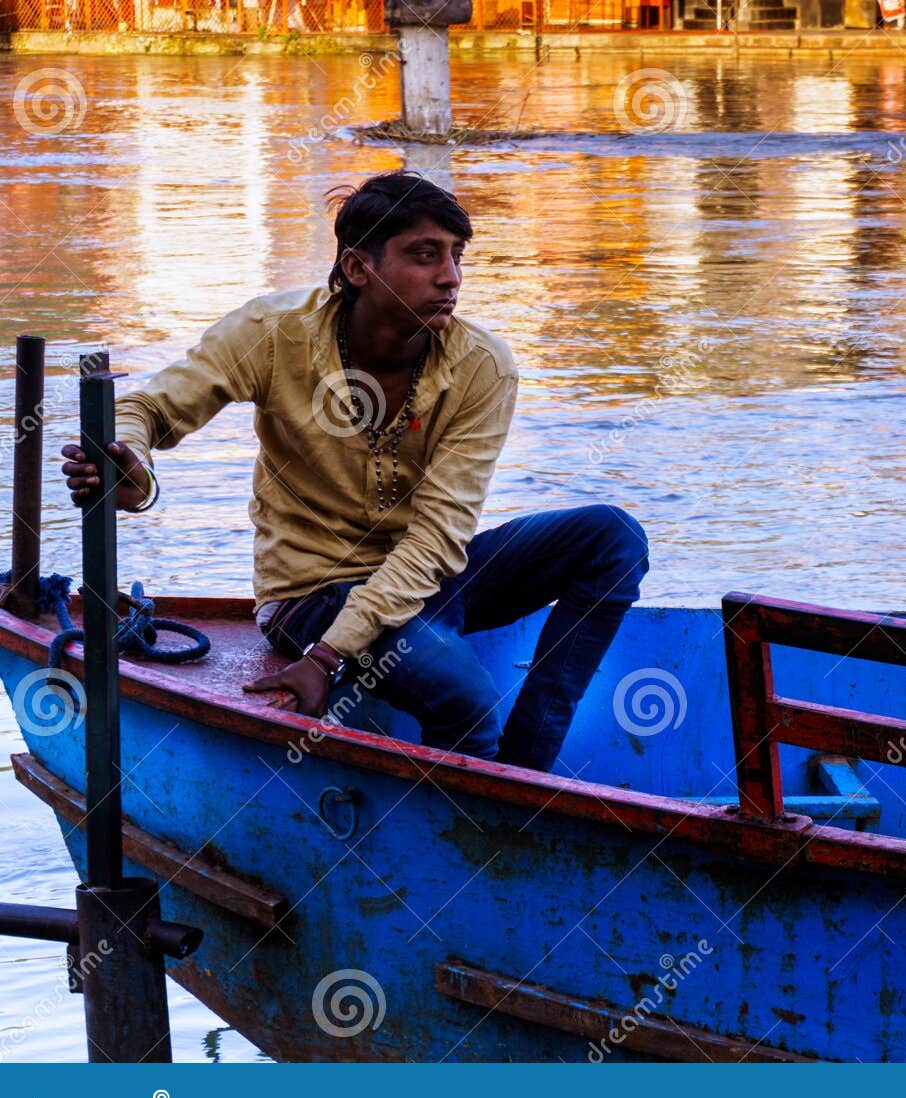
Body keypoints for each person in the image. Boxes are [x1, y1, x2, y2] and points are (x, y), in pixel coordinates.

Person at [61, 170, 648, 775]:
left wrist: (327, 660)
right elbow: (149, 409)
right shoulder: (273, 333)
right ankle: (467, 839)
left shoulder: (482, 363)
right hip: (311, 595)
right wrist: (134, 465)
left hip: (427, 578)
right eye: (424, 256)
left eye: (456, 256)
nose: (450, 277)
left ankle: (528, 778)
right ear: (358, 268)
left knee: (611, 538)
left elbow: (439, 536)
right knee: (466, 702)